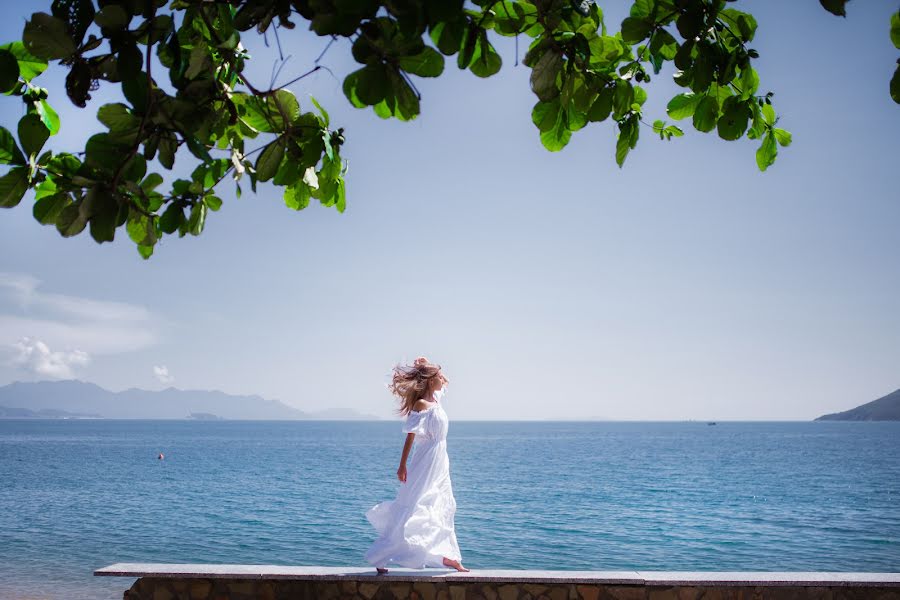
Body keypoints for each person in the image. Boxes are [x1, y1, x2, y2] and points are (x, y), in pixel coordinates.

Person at [365, 356, 469, 573]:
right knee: (414, 505)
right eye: (438, 376)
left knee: (443, 505)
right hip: (425, 461)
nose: (443, 379)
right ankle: (381, 556)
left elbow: (446, 382)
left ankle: (449, 556)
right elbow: (410, 437)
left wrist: (428, 363)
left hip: (441, 461)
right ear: (431, 381)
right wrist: (402, 465)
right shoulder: (422, 404)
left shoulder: (437, 399)